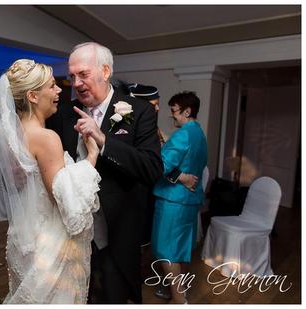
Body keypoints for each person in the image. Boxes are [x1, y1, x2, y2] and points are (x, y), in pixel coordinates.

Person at [47, 42, 163, 303]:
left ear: (106, 71)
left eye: (83, 74)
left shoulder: (138, 111)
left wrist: (102, 139)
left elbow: (152, 168)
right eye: (72, 76)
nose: (76, 83)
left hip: (117, 229)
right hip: (73, 231)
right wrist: (6, 105)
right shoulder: (65, 111)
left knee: (114, 293)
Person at [0, 59, 101, 303]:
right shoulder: (46, 138)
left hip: (23, 237)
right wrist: (91, 157)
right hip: (49, 242)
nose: (60, 90)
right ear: (33, 96)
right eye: (52, 86)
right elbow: (62, 198)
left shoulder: (12, 134)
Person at [151, 91, 207, 304]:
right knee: (178, 248)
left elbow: (162, 165)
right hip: (189, 201)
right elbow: (188, 157)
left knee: (167, 251)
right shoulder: (197, 133)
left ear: (187, 111)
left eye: (174, 111)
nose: (172, 115)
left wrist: (179, 176)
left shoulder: (183, 135)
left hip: (173, 201)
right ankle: (170, 289)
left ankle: (179, 299)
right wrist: (167, 139)